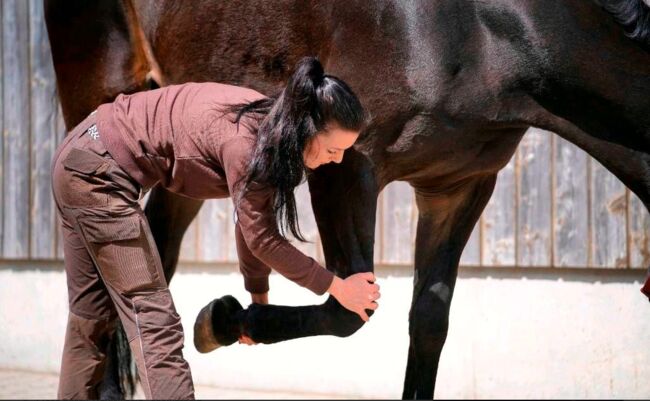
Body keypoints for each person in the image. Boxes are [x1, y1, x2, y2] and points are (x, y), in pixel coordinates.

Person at [51, 56, 381, 400]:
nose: (338, 159)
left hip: (80, 156)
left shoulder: (266, 126)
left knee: (91, 318)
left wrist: (258, 301)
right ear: (307, 130)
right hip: (99, 175)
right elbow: (263, 239)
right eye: (333, 149)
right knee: (155, 323)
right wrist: (337, 287)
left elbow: (253, 220)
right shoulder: (248, 143)